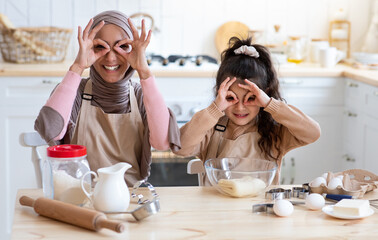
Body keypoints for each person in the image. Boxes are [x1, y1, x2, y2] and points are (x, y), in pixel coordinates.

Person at [35, 10, 180, 186]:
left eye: (123, 47)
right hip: (79, 197)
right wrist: (78, 67)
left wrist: (144, 72)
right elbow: (50, 131)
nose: (111, 58)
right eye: (100, 47)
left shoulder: (140, 95)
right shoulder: (76, 91)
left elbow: (162, 142)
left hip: (130, 198)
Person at [173, 37, 321, 185]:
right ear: (221, 94)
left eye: (250, 98)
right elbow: (180, 147)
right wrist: (214, 109)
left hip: (259, 207)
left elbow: (312, 133)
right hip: (216, 207)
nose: (240, 107)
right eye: (232, 98)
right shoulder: (211, 128)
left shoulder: (274, 132)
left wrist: (270, 104)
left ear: (264, 95)